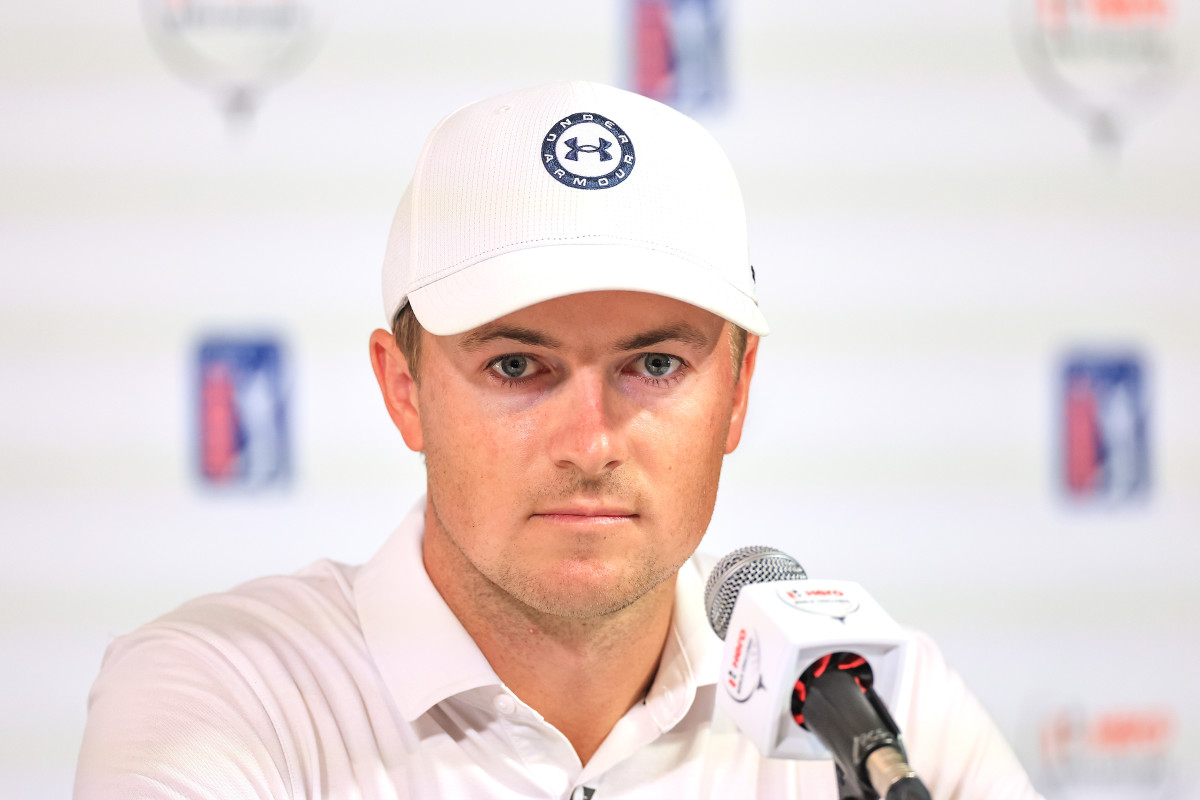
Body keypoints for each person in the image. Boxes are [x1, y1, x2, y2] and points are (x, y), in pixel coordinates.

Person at [76, 81, 1043, 799]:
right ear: (402, 389)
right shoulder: (229, 691)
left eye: (655, 365)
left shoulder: (867, 711)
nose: (590, 443)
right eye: (516, 367)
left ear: (739, 392)